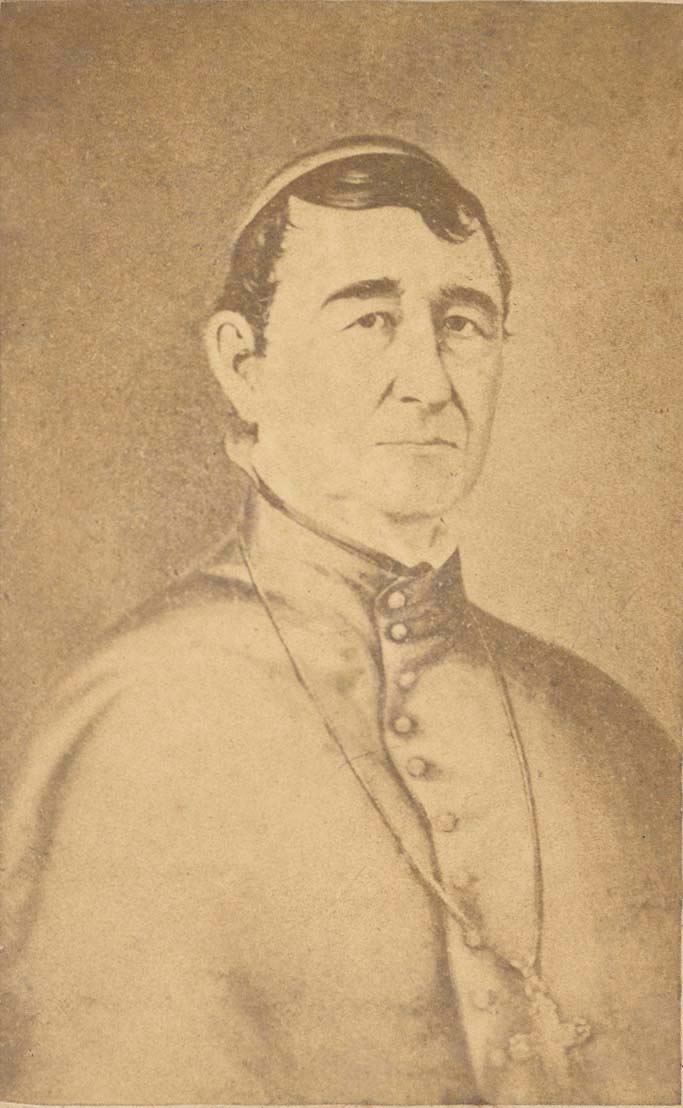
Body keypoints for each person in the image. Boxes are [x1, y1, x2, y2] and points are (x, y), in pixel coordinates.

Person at [1, 137, 679, 1106]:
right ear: (243, 363)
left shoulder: (601, 725)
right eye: (369, 320)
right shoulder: (132, 715)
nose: (428, 382)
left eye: (462, 324)